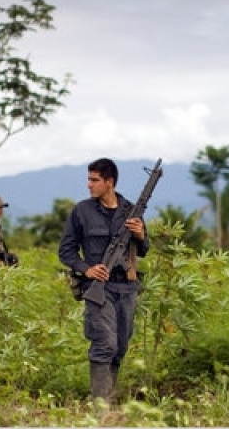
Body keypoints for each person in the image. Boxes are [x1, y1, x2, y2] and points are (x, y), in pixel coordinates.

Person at [58, 158, 149, 408]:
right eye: (89, 179)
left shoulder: (131, 210)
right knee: (104, 343)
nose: (89, 185)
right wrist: (87, 269)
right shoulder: (82, 211)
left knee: (120, 346)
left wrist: (140, 235)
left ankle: (108, 401)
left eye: (95, 180)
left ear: (110, 182)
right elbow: (65, 252)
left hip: (127, 288)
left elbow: (144, 249)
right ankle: (100, 407)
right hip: (99, 289)